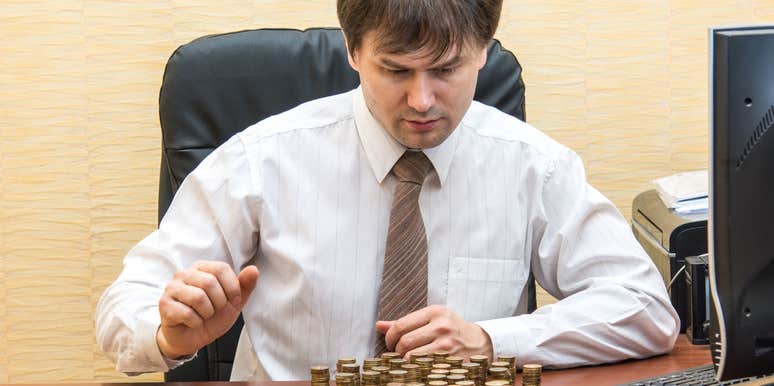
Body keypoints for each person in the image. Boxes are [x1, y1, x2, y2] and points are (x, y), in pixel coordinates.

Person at [96, 0, 679, 381]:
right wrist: (169, 334)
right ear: (354, 52)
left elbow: (646, 308)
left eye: (446, 69)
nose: (422, 101)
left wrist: (490, 339)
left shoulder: (535, 167)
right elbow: (123, 307)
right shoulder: (263, 160)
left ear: (483, 50)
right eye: (396, 70)